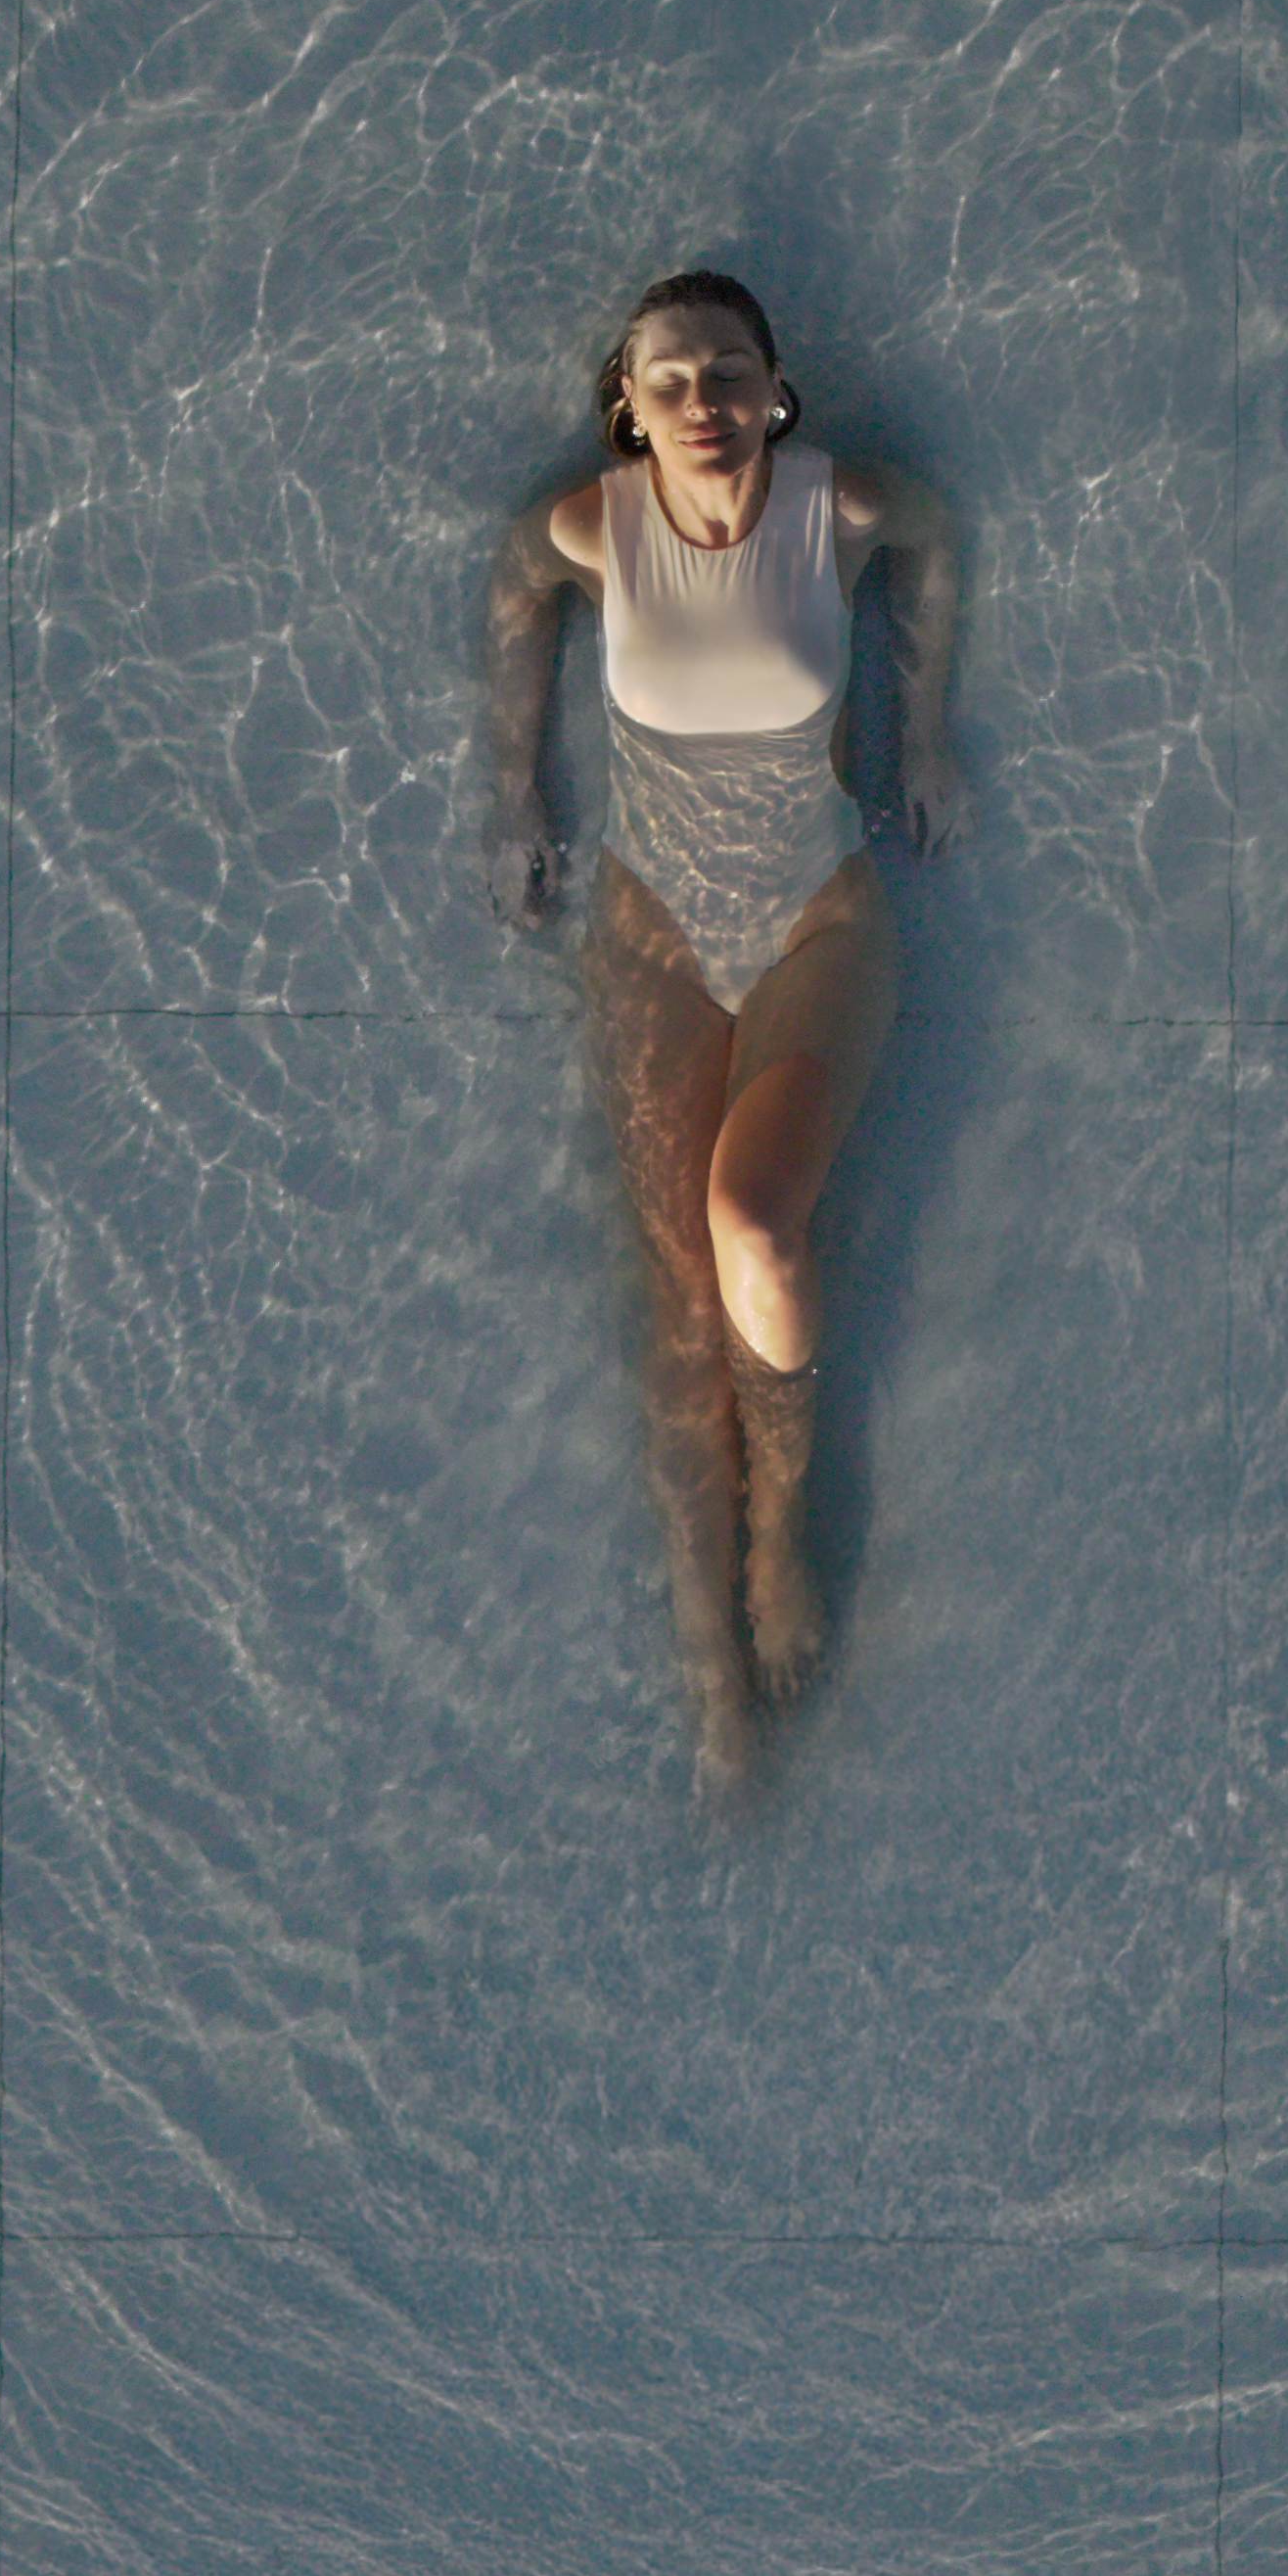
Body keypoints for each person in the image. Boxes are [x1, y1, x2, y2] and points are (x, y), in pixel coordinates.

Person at [489, 270, 963, 1790]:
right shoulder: (589, 529)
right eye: (672, 379)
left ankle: (780, 1540)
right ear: (630, 406)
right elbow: (515, 597)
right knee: (683, 1311)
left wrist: (929, 730)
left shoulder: (848, 512)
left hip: (819, 923)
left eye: (730, 372)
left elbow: (940, 553)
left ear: (776, 391)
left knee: (753, 1226)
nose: (703, 399)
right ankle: (711, 1678)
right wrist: (517, 788)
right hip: (652, 939)